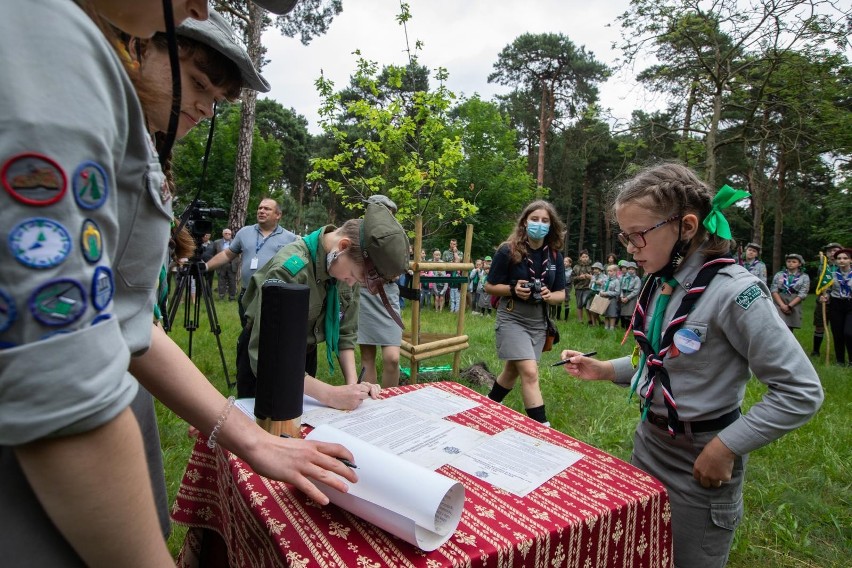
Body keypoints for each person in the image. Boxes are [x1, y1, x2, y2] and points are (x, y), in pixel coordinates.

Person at [0, 1, 357, 566]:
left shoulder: (108, 100)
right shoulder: (48, 43)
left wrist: (253, 439)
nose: (201, 5)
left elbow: (126, 321)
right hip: (49, 459)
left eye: (214, 99)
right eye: (195, 81)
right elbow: (61, 376)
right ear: (143, 48)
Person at [559, 163, 822, 568]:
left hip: (702, 461)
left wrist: (726, 446)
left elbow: (800, 390)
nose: (630, 248)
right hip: (649, 445)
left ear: (685, 226)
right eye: (625, 237)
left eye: (638, 236)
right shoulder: (663, 281)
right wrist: (606, 370)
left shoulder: (736, 293)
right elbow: (662, 361)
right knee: (639, 552)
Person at [241, 201, 410, 403]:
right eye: (355, 276)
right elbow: (267, 355)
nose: (352, 283)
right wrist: (329, 394)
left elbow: (345, 333)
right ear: (343, 246)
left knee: (298, 422)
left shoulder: (346, 268)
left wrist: (353, 386)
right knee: (260, 427)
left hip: (303, 354)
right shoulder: (290, 270)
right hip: (263, 359)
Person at [485, 200, 566, 426]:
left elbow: (562, 293)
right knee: (529, 372)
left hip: (538, 320)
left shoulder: (555, 256)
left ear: (551, 225)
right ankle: (542, 428)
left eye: (545, 220)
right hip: (512, 316)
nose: (539, 224)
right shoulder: (507, 250)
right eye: (535, 219)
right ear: (524, 222)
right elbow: (489, 286)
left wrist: (550, 295)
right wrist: (512, 289)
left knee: (513, 369)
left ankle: (490, 404)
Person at [205, 198, 296, 322]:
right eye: (260, 208)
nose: (261, 211)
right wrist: (205, 266)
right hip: (247, 294)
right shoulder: (244, 232)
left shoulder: (290, 238)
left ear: (278, 215)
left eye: (267, 209)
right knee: (247, 332)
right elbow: (227, 255)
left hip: (274, 295)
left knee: (271, 334)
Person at [358, 195, 404, 387]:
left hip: (387, 294)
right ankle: (370, 404)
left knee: (392, 358)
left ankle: (390, 402)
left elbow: (400, 264)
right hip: (363, 293)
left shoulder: (397, 232)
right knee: (367, 357)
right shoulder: (357, 230)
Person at [811, 242, 843, 356]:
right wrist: (821, 295)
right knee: (819, 325)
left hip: (839, 300)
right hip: (823, 300)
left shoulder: (845, 266)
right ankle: (815, 351)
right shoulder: (823, 266)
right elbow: (820, 283)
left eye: (835, 250)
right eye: (829, 251)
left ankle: (840, 352)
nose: (832, 253)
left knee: (838, 327)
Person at [824, 248, 852, 365]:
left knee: (849, 333)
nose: (841, 261)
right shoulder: (831, 275)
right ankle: (840, 360)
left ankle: (851, 359)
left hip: (851, 305)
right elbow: (827, 290)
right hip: (836, 304)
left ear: (850, 260)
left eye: (845, 258)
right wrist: (825, 296)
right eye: (839, 258)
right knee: (837, 333)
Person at [770, 254, 810, 332]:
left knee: (789, 328)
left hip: (793, 302)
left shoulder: (804, 277)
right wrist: (782, 305)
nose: (790, 263)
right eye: (788, 261)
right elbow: (774, 290)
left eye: (794, 262)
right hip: (779, 301)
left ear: (799, 264)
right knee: (778, 325)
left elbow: (803, 293)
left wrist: (789, 306)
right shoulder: (779, 274)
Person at [214, 228, 238, 301]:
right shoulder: (217, 242)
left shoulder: (235, 242)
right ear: (223, 234)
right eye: (226, 233)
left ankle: (232, 297)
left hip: (232, 264)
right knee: (221, 281)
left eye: (229, 234)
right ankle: (221, 296)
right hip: (221, 265)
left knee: (232, 281)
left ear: (231, 235)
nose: (228, 235)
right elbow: (214, 253)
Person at [598, 264, 622, 330]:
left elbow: (617, 292)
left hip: (612, 300)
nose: (609, 272)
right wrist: (601, 292)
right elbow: (602, 287)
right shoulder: (606, 280)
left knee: (612, 313)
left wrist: (607, 293)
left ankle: (611, 328)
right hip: (605, 299)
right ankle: (606, 327)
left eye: (611, 271)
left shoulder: (616, 281)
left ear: (615, 272)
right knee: (606, 313)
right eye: (608, 271)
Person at [619, 261, 642, 329]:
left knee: (630, 312)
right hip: (624, 295)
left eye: (632, 269)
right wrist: (621, 296)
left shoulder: (637, 279)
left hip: (632, 297)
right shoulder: (624, 278)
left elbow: (636, 291)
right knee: (623, 312)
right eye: (629, 269)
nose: (630, 271)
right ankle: (623, 327)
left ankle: (630, 328)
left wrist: (628, 298)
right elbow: (620, 287)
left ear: (635, 270)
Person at [572, 250, 593, 323]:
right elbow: (571, 278)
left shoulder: (592, 267)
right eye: (583, 257)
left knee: (587, 304)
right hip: (578, 288)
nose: (585, 258)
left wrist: (591, 277)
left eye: (586, 257)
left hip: (589, 288)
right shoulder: (576, 267)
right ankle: (580, 321)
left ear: (588, 257)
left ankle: (590, 320)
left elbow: (598, 277)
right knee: (579, 304)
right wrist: (579, 277)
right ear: (580, 258)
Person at [551, 256, 573, 321]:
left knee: (566, 301)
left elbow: (572, 280)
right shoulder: (560, 269)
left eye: (566, 261)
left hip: (567, 287)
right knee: (559, 301)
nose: (564, 263)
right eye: (564, 261)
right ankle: (558, 317)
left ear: (570, 263)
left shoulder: (571, 271)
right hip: (560, 286)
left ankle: (566, 319)